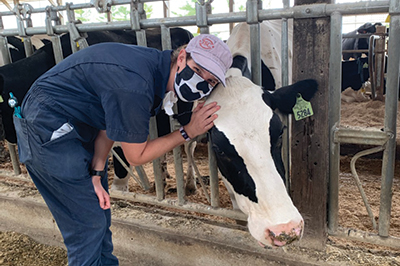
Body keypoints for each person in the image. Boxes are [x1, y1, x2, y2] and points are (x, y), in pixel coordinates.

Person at [13, 34, 232, 265]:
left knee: (100, 217)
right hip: (48, 127)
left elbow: (110, 120)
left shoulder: (153, 69)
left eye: (210, 81)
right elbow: (136, 156)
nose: (200, 82)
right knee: (87, 227)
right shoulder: (136, 85)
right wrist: (187, 131)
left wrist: (97, 172)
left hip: (76, 126)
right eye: (197, 69)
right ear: (182, 58)